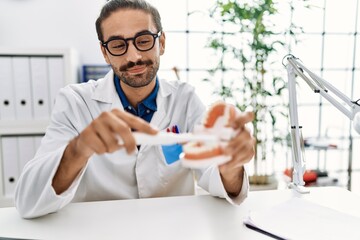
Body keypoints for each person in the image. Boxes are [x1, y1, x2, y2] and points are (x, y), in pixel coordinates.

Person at [14, 0, 255, 219]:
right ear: (105, 53)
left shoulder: (184, 98)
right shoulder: (76, 101)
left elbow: (217, 177)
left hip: (171, 229)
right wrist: (78, 149)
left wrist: (230, 164)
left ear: (161, 42)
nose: (134, 56)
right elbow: (28, 201)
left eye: (143, 40)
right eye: (118, 45)